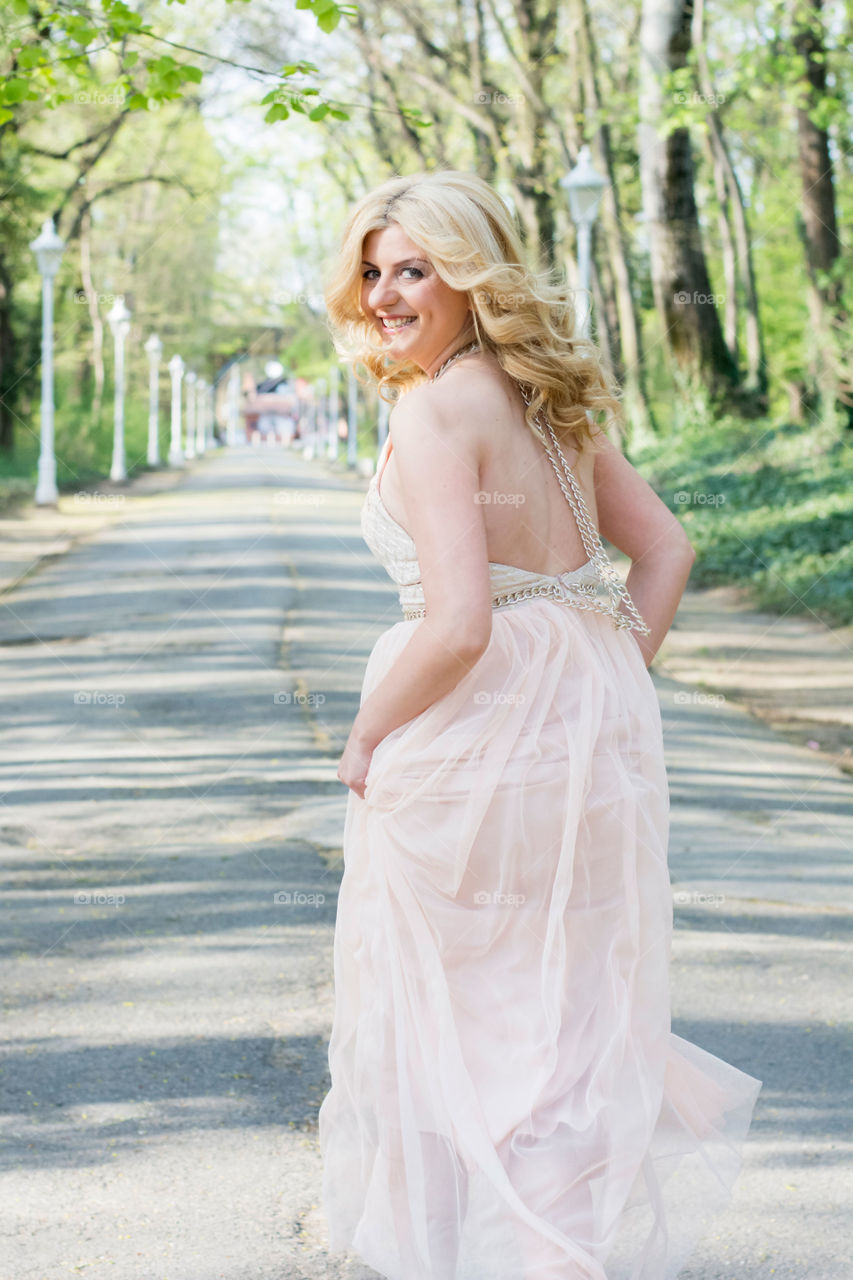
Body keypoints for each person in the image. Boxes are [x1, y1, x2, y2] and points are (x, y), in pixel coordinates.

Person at [317, 170, 762, 1280]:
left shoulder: (433, 411)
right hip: (584, 747)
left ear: (472, 273)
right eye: (372, 270)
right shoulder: (544, 398)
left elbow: (459, 623)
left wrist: (367, 731)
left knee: (448, 1037)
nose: (384, 294)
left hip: (465, 749)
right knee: (558, 1031)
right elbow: (663, 553)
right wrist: (602, 678)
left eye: (414, 268)